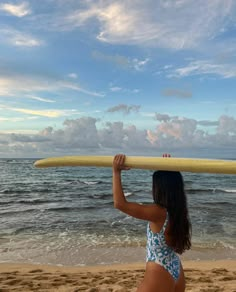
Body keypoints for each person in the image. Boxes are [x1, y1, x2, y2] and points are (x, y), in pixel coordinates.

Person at [112, 154, 191, 292]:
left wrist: (116, 172)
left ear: (159, 188)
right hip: (175, 267)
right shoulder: (178, 211)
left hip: (159, 271)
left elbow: (120, 204)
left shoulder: (158, 213)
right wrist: (166, 166)